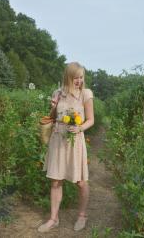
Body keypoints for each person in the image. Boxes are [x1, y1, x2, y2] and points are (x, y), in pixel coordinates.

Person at [38, 62, 94, 232]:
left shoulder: (85, 94)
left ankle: (82, 215)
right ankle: (53, 219)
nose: (79, 80)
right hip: (58, 139)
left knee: (80, 182)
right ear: (68, 77)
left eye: (81, 77)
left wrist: (79, 128)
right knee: (56, 181)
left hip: (75, 141)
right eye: (76, 77)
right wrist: (54, 107)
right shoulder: (58, 93)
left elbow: (91, 120)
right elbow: (52, 118)